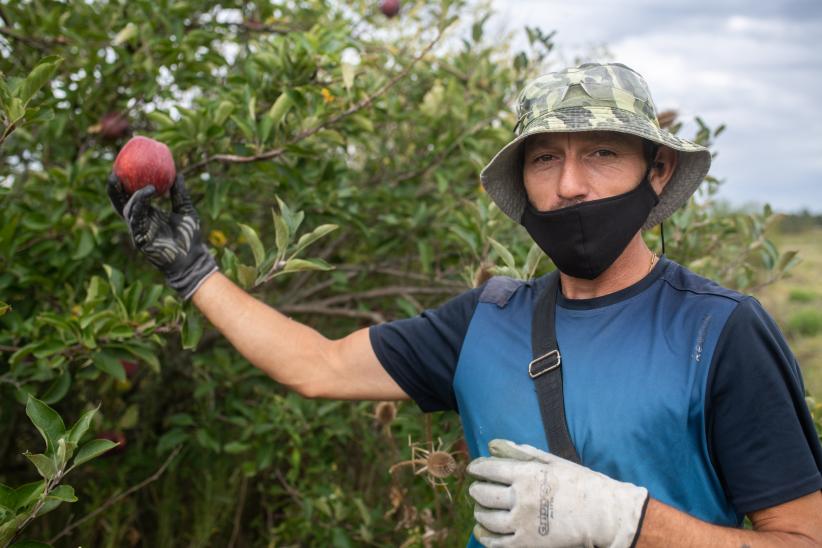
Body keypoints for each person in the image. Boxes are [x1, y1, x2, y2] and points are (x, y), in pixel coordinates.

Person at [107, 62, 822, 547]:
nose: (571, 185)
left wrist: (629, 521)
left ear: (656, 170)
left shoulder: (717, 330)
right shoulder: (487, 320)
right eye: (546, 158)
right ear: (525, 180)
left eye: (601, 153)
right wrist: (193, 271)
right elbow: (316, 366)